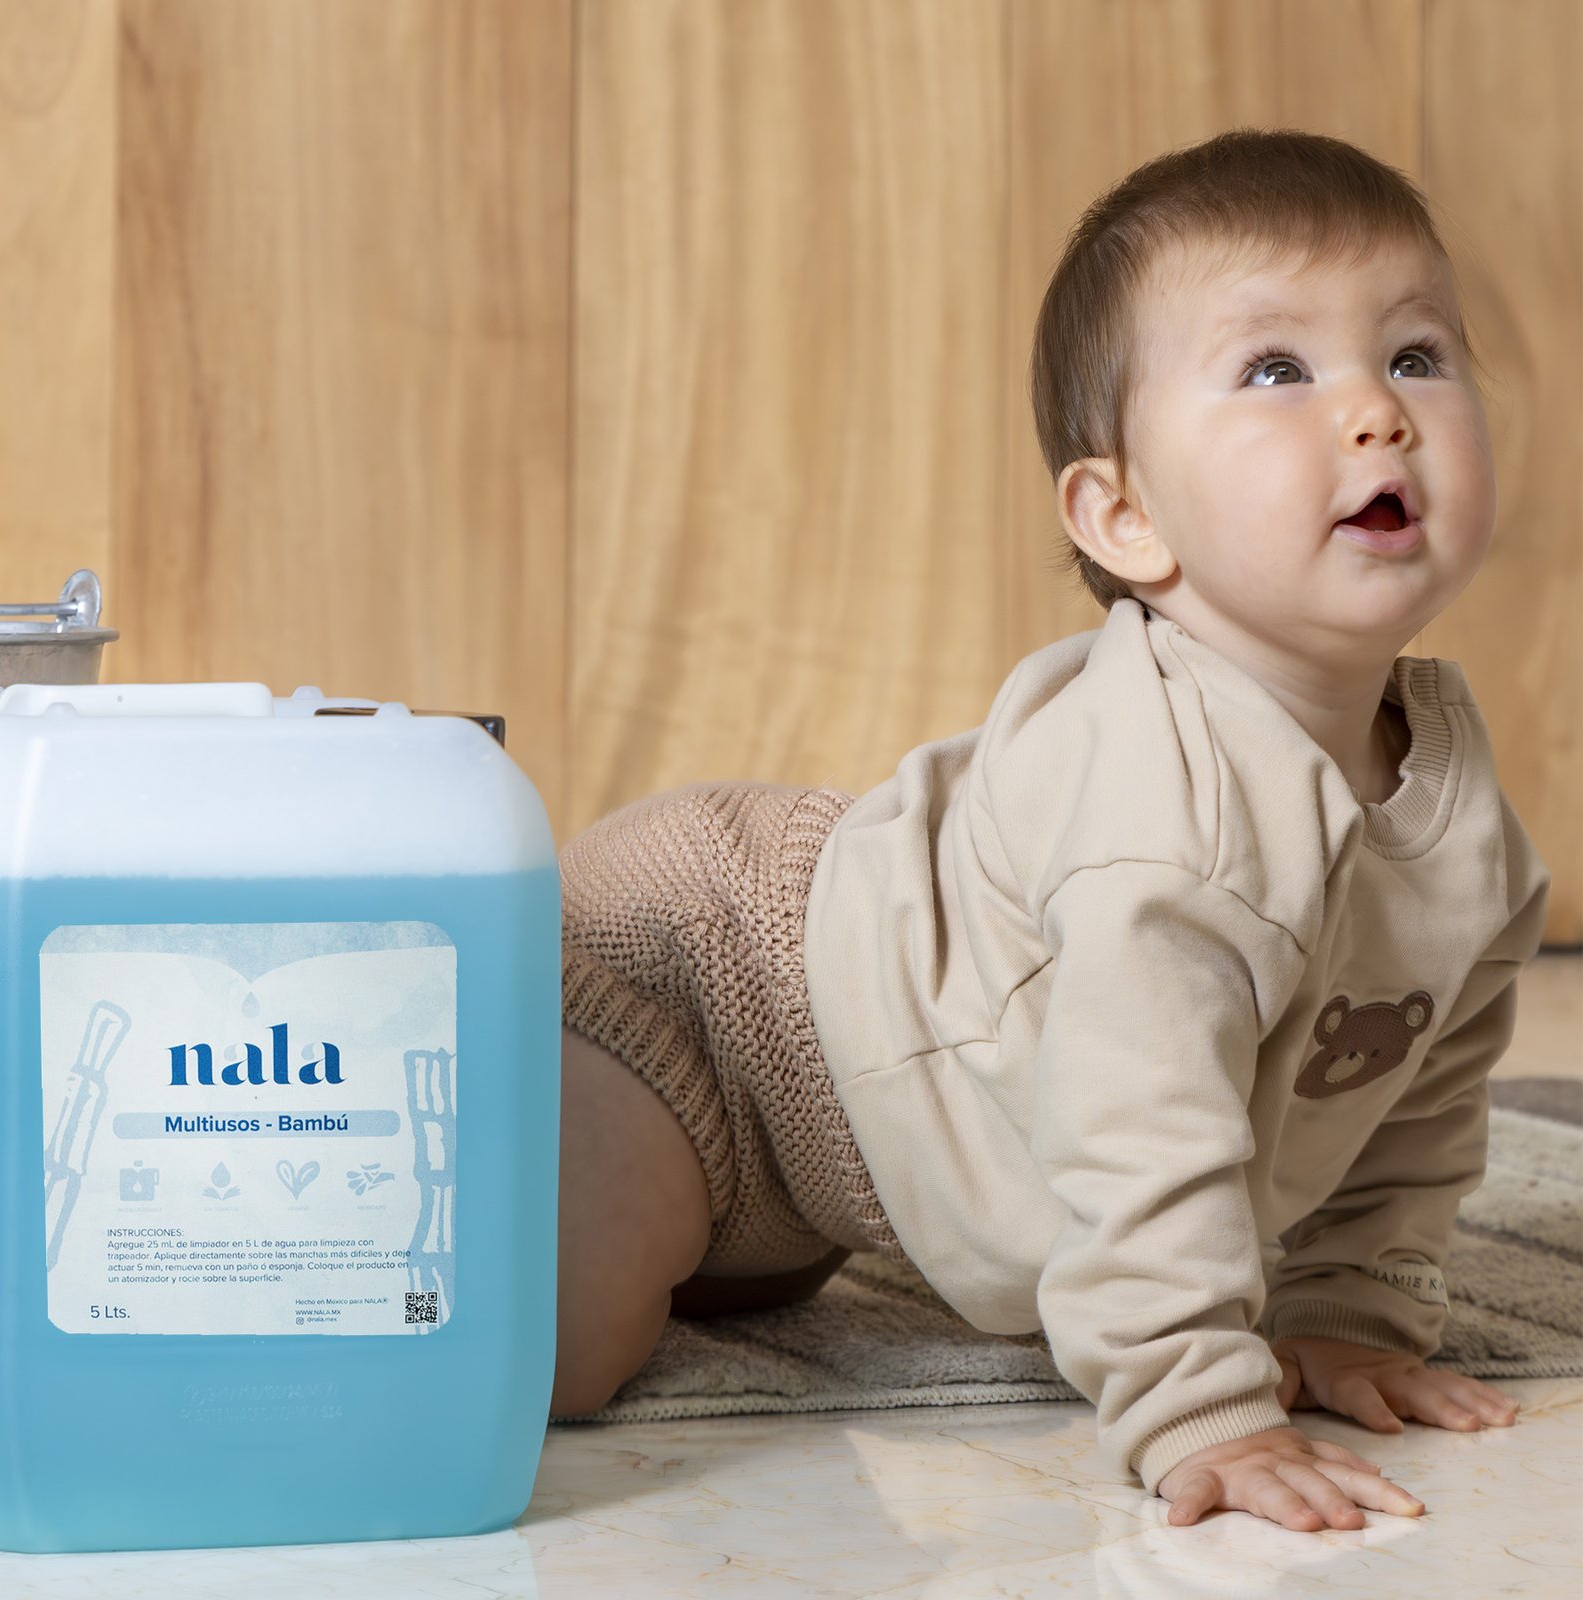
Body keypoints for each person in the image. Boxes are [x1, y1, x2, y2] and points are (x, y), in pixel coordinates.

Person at [550, 127, 1552, 1535]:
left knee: (726, 1268)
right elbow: (1134, 1124)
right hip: (709, 986)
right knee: (561, 1344)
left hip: (845, 1156)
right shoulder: (1164, 796)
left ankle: (718, 1226)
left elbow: (1415, 1097)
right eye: (1277, 369)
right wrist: (1200, 1402)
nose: (1377, 412)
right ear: (1124, 517)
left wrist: (1346, 1309)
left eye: (1416, 354)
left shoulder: (1461, 825)